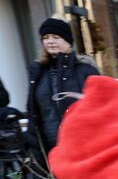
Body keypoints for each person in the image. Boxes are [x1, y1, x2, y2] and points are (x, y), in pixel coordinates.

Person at [27, 17, 98, 154]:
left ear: (68, 41)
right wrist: (33, 148)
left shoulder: (85, 70)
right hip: (50, 149)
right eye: (46, 37)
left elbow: (102, 106)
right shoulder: (38, 72)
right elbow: (34, 112)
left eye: (56, 37)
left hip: (84, 146)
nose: (50, 41)